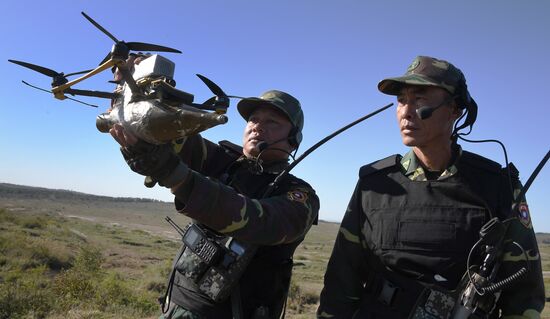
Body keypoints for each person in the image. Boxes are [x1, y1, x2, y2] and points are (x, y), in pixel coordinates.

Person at [317, 56, 545, 318]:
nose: (405, 111)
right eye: (401, 100)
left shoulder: (498, 186)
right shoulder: (376, 184)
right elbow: (342, 280)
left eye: (420, 98)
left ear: (455, 109)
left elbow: (524, 293)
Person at [111, 87, 320, 319]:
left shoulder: (299, 195)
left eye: (272, 122)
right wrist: (138, 91)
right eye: (253, 119)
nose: (257, 126)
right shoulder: (225, 162)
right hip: (176, 308)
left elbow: (258, 221)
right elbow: (174, 137)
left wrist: (174, 175)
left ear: (293, 140)